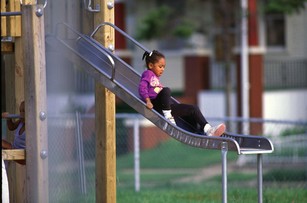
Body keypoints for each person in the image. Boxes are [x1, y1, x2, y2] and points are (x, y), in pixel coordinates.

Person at [138, 50, 226, 136]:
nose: (162, 69)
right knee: (166, 90)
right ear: (150, 65)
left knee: (193, 109)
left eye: (164, 67)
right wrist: (148, 101)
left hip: (168, 106)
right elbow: (142, 88)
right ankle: (168, 118)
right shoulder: (148, 74)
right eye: (160, 66)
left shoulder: (155, 78)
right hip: (157, 104)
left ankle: (206, 130)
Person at [2, 101, 26, 165]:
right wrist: (8, 118)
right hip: (14, 148)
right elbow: (11, 127)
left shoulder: (31, 125)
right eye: (20, 111)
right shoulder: (20, 122)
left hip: (23, 155)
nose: (21, 114)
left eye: (24, 111)